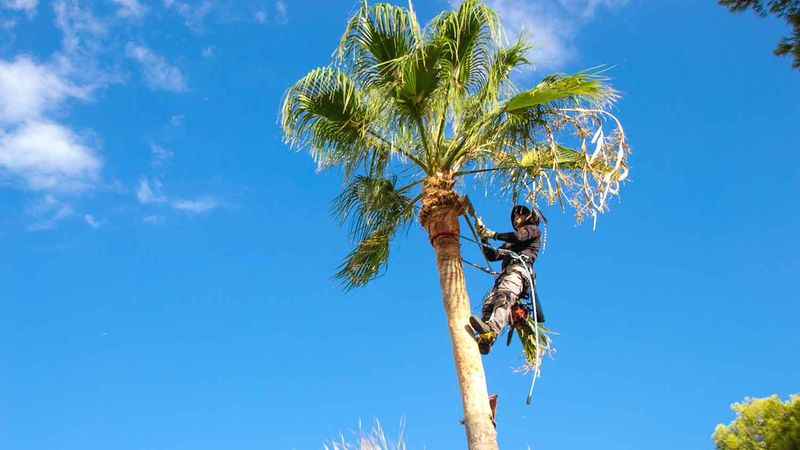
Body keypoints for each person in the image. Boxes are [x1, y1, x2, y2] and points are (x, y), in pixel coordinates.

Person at [471, 205, 544, 354]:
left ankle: (492, 329)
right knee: (488, 304)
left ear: (529, 216)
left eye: (520, 214)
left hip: (518, 271)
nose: (516, 216)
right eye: (514, 215)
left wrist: (493, 234)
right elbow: (492, 255)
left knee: (504, 296)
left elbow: (518, 236)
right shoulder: (511, 244)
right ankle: (485, 337)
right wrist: (483, 236)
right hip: (504, 275)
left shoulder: (532, 230)